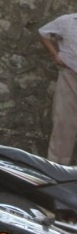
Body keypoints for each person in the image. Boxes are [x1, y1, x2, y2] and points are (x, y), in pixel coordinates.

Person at [39, 12, 77, 164]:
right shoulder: (67, 21)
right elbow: (43, 32)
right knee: (63, 123)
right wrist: (55, 55)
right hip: (70, 76)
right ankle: (57, 170)